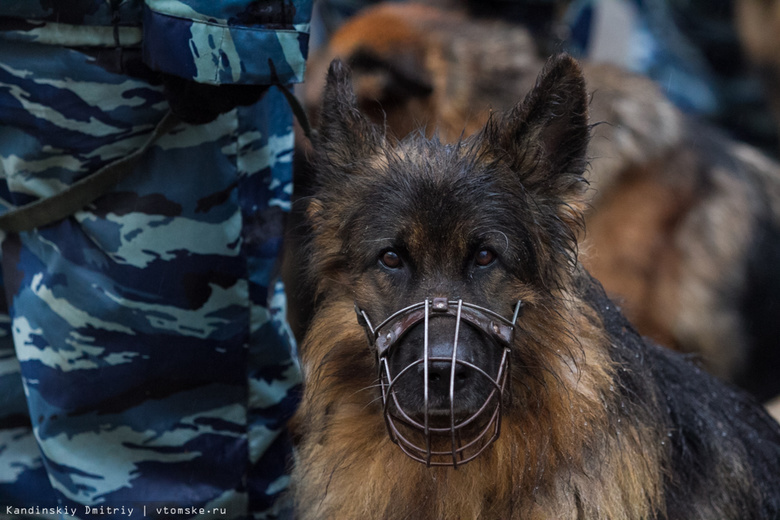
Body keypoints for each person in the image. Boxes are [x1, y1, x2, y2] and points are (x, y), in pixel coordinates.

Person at [0, 1, 312, 518]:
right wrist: (222, 33)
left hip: (121, 63)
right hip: (117, 60)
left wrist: (222, 31)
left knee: (148, 476)